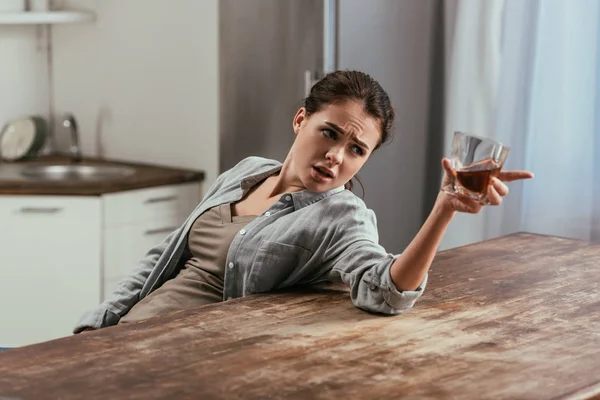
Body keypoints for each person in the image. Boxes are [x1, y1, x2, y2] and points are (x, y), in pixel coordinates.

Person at [74, 70, 533, 333]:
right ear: (301, 120)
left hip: (185, 360)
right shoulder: (246, 169)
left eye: (357, 150)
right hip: (121, 336)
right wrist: (99, 324)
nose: (336, 157)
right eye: (329, 133)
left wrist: (444, 209)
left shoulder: (341, 216)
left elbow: (386, 291)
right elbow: (165, 255)